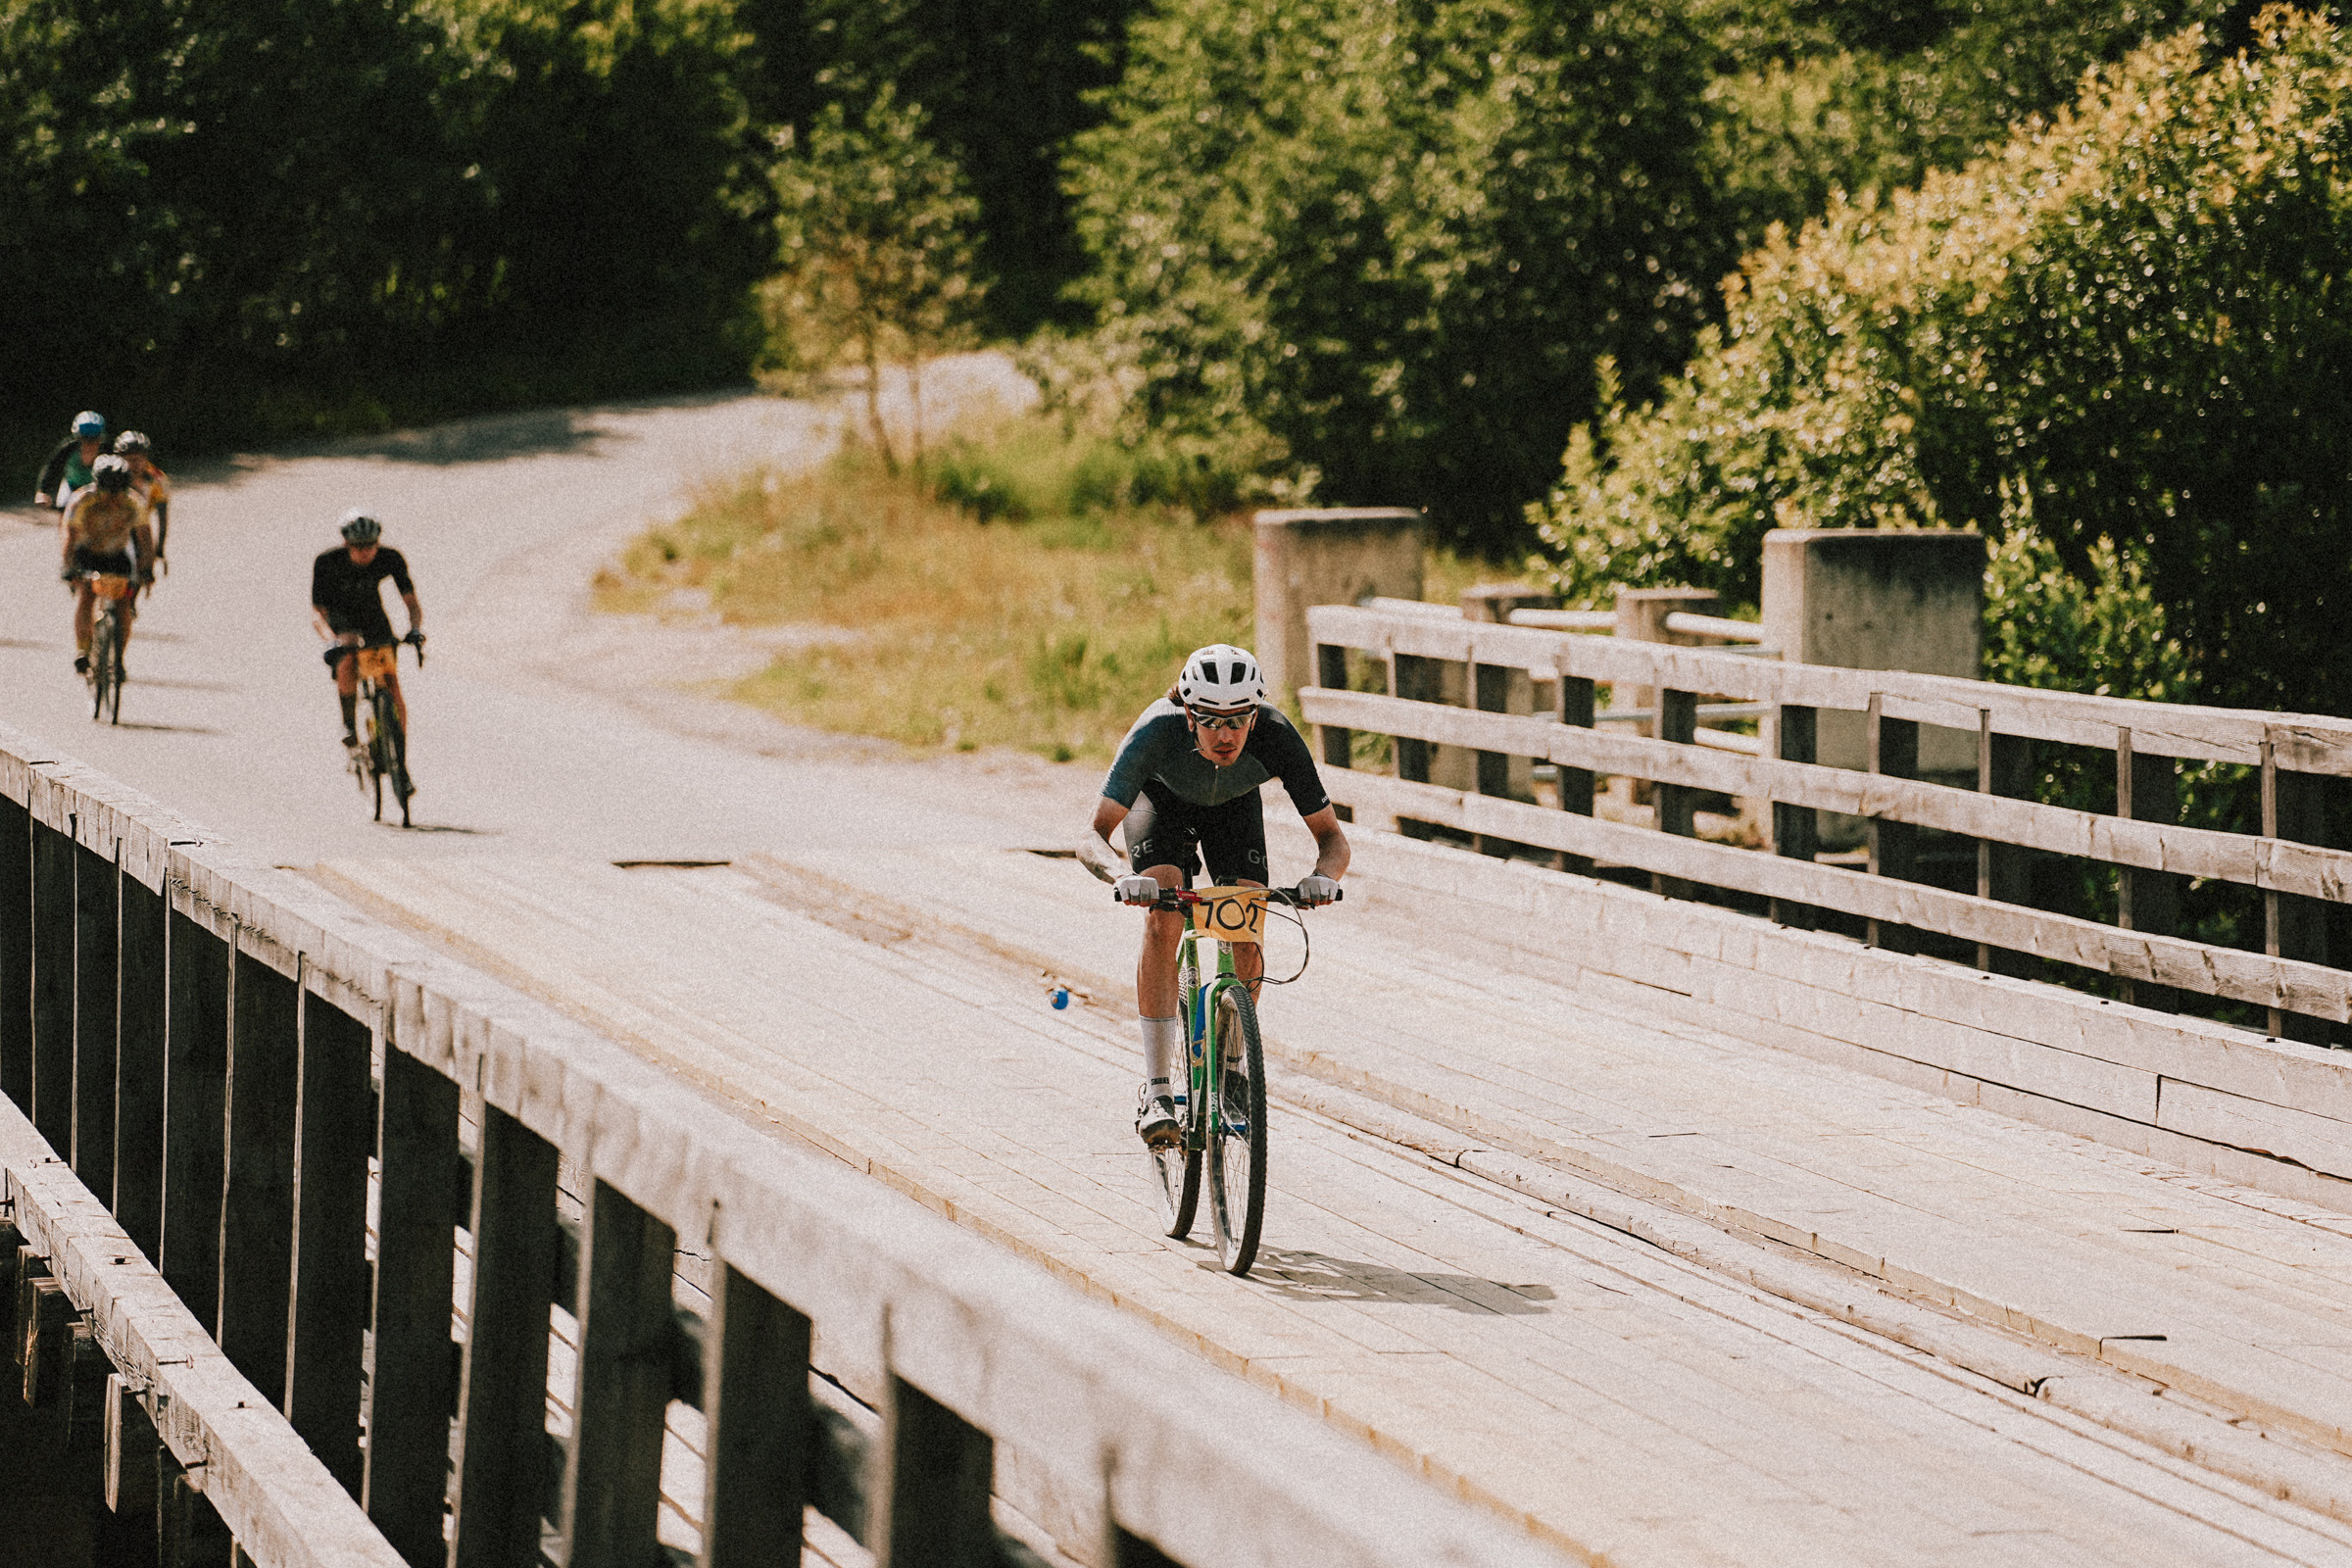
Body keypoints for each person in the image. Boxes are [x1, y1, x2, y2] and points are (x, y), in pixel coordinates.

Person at [1077, 644, 1348, 1148]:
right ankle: (1158, 1090)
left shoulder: (1276, 735)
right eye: (1210, 721)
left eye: (1239, 720)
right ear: (1188, 714)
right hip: (1160, 805)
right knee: (1163, 913)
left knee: (1248, 915)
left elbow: (1333, 839)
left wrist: (1322, 876)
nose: (1226, 736)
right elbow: (1092, 834)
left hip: (1233, 810)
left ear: (1255, 715)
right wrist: (1120, 875)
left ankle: (1231, 1065)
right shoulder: (1155, 732)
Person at [310, 510, 424, 752]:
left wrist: (415, 629)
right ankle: (349, 724)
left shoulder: (389, 558)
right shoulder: (327, 562)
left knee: (391, 685)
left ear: (378, 542)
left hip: (373, 616)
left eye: (370, 545)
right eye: (358, 546)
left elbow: (412, 603)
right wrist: (332, 641)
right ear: (346, 544)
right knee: (347, 657)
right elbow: (318, 613)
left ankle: (399, 758)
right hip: (341, 618)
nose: (365, 552)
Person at [59, 456, 155, 674]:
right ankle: (83, 650)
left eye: (118, 492)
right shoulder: (81, 500)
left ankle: (118, 658)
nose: (113, 498)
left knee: (123, 605)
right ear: (97, 486)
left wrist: (147, 569)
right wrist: (68, 566)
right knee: (87, 596)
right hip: (87, 553)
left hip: (116, 555)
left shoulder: (134, 502)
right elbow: (69, 537)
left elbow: (145, 539)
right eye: (108, 492)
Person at [113, 431, 172, 572]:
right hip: (113, 522)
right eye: (130, 459)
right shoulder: (112, 475)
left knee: (144, 567)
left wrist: (159, 547)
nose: (135, 464)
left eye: (140, 459)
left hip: (139, 524)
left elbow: (162, 517)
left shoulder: (158, 479)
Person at [33, 412, 107, 511]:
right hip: (71, 486)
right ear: (77, 439)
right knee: (64, 511)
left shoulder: (107, 452)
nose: (89, 444)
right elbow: (52, 467)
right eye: (85, 439)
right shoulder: (68, 448)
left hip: (97, 489)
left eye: (94, 439)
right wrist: (42, 491)